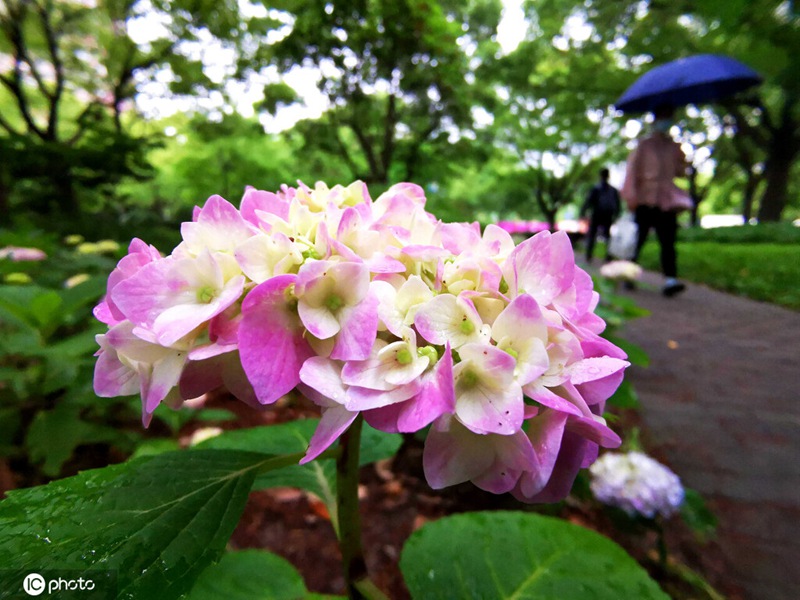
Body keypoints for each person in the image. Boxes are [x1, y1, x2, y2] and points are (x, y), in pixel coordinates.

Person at [620, 106, 689, 297]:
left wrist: (683, 159)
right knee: (638, 240)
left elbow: (680, 172)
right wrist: (630, 196)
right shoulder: (644, 145)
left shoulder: (674, 146)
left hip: (666, 201)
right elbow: (632, 171)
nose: (666, 122)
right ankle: (628, 275)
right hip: (644, 200)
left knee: (668, 241)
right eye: (664, 117)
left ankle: (671, 279)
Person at [580, 167, 621, 263]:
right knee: (607, 236)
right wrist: (616, 215)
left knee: (593, 235)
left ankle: (589, 256)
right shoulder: (613, 190)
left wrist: (583, 212)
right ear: (608, 176)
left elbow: (588, 201)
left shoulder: (596, 188)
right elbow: (617, 204)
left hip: (597, 214)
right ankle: (607, 256)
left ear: (600, 176)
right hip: (607, 215)